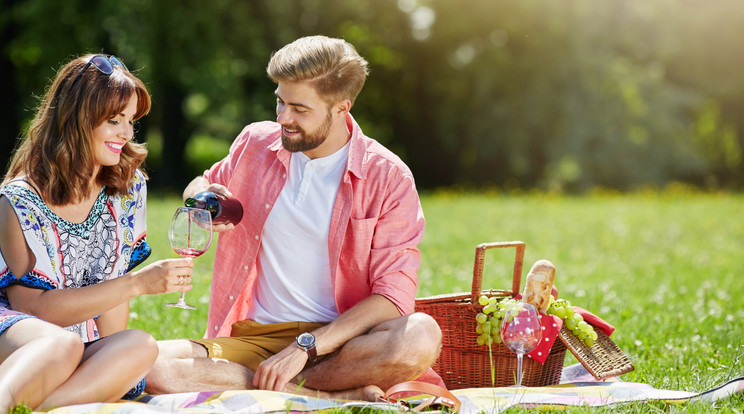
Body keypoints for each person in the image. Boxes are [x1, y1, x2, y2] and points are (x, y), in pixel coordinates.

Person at [145, 35, 443, 401]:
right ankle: (331, 396)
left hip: (343, 345)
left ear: (341, 108)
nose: (284, 117)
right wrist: (199, 198)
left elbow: (393, 298)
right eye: (280, 102)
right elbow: (203, 180)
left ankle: (284, 386)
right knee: (147, 364)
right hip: (257, 341)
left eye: (300, 109)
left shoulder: (387, 177)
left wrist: (305, 348)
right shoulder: (256, 144)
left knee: (420, 336)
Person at [0, 53, 195, 409]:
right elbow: (33, 309)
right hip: (18, 334)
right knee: (60, 344)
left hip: (76, 345)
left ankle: (33, 407)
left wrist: (114, 367)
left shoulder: (128, 189)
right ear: (76, 120)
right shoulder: (18, 200)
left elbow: (112, 294)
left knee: (139, 346)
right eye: (114, 120)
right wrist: (138, 284)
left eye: (130, 120)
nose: (126, 133)